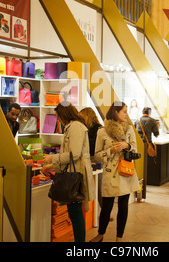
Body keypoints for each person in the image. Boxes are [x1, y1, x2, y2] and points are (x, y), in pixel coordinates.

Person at [41, 103, 95, 241]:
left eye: (58, 116)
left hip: (75, 175)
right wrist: (52, 165)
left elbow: (74, 154)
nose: (58, 120)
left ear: (64, 114)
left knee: (75, 214)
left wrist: (53, 158)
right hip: (73, 173)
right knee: (74, 213)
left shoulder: (75, 127)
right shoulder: (73, 126)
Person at [90, 101, 140, 242]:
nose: (126, 114)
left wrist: (127, 145)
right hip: (110, 172)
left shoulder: (129, 129)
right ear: (116, 112)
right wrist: (111, 150)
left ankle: (119, 237)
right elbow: (97, 155)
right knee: (106, 206)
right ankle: (101, 234)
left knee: (123, 206)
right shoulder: (102, 131)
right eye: (124, 111)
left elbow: (135, 149)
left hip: (125, 170)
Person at [79, 107, 103, 207]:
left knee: (99, 187)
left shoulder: (98, 128)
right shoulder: (82, 128)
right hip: (85, 158)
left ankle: (104, 211)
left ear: (87, 116)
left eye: (81, 117)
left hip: (95, 159)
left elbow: (96, 145)